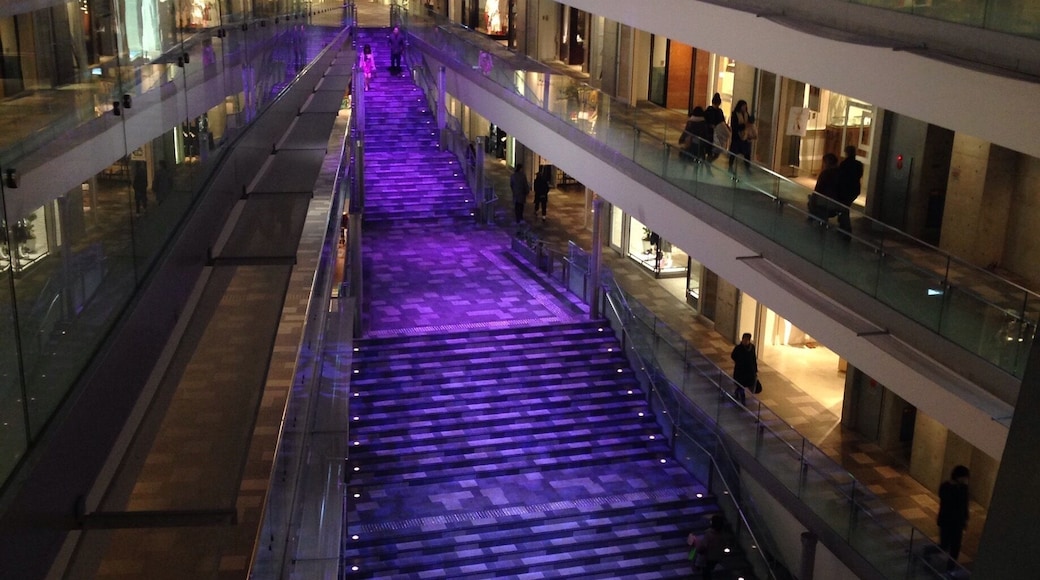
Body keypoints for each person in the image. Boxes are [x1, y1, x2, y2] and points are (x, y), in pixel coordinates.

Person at [937, 465, 970, 569]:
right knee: (944, 546)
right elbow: (949, 503)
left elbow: (964, 506)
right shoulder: (946, 487)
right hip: (947, 522)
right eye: (965, 477)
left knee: (955, 548)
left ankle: (950, 570)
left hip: (957, 524)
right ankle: (926, 552)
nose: (966, 480)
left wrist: (965, 520)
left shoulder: (963, 489)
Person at [809, 153, 849, 232]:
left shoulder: (825, 174)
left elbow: (818, 189)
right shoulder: (842, 173)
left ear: (827, 163)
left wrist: (813, 199)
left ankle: (817, 224)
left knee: (814, 203)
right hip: (840, 201)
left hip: (827, 201)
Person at [680, 106, 715, 176]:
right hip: (699, 145)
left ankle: (683, 172)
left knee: (687, 158)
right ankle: (695, 175)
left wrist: (681, 139)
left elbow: (686, 132)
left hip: (690, 144)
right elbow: (705, 135)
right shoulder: (703, 123)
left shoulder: (690, 122)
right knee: (698, 160)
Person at [691, 514, 726, 580]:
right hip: (716, 556)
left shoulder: (709, 534)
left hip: (708, 557)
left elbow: (703, 546)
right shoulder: (722, 534)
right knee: (708, 571)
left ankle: (696, 567)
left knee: (706, 573)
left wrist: (697, 545)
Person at [730, 332, 757, 405]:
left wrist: (755, 370)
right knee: (740, 384)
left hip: (749, 371)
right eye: (744, 339)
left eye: (747, 340)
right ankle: (743, 399)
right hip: (740, 370)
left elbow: (754, 359)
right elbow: (733, 356)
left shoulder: (752, 348)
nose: (745, 341)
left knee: (743, 385)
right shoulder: (738, 348)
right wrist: (739, 361)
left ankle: (737, 392)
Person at [728, 100, 753, 176]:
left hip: (745, 136)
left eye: (745, 107)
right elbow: (734, 126)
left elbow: (749, 124)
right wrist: (743, 125)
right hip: (737, 137)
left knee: (747, 153)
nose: (744, 108)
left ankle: (747, 168)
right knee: (733, 152)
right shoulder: (735, 115)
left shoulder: (746, 114)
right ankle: (730, 166)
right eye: (743, 106)